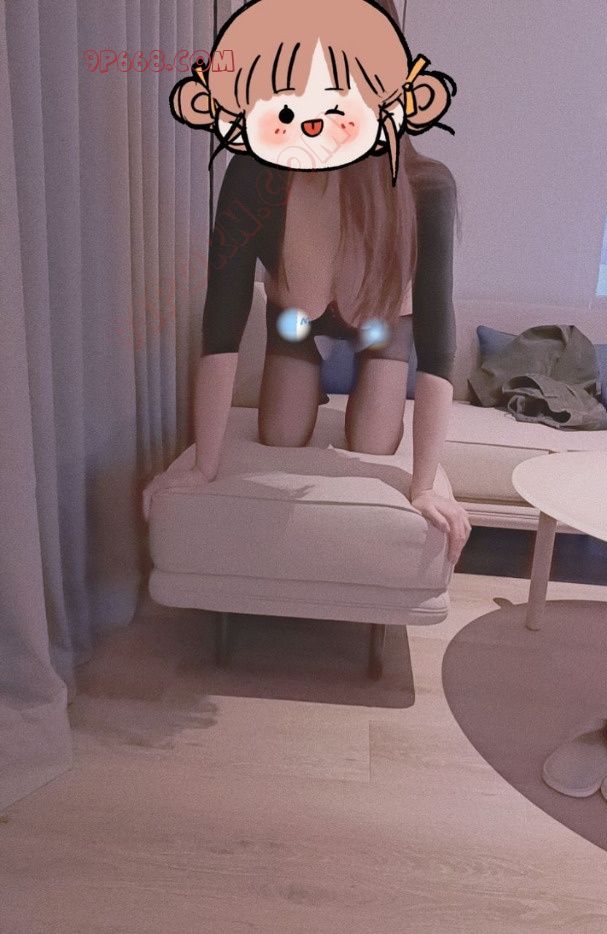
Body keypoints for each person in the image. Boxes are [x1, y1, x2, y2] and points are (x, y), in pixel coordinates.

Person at [142, 0, 471, 563]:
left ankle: (356, 380)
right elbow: (222, 321)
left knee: (372, 440)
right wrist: (203, 464)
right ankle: (311, 378)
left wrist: (424, 486)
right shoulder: (255, 174)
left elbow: (439, 347)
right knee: (281, 432)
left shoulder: (426, 188)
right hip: (296, 317)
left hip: (382, 324)